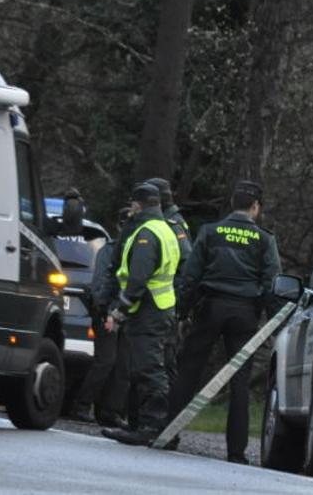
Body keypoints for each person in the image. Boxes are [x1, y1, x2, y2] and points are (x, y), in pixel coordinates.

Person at [165, 180, 281, 464]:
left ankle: (168, 433)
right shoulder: (265, 240)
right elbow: (272, 283)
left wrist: (182, 311)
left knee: (188, 370)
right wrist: (273, 320)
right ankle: (236, 452)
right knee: (239, 382)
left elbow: (191, 276)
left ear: (232, 204)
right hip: (244, 314)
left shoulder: (210, 232)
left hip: (210, 308)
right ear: (255, 208)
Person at [101, 182, 181, 446]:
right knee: (149, 367)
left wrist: (118, 310)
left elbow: (137, 279)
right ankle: (148, 426)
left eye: (133, 204)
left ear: (138, 204)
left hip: (147, 310)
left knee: (149, 369)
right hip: (161, 307)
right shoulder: (166, 228)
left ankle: (152, 427)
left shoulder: (146, 233)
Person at [69, 212, 126, 427]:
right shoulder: (109, 251)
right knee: (106, 361)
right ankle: (81, 405)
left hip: (124, 311)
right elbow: (102, 282)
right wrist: (105, 310)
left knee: (120, 364)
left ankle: (109, 411)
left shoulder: (132, 249)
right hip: (107, 312)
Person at [146, 176, 192, 389]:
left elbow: (185, 264)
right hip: (158, 302)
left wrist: (178, 301)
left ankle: (166, 412)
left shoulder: (173, 224)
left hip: (165, 303)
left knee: (164, 358)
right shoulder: (165, 221)